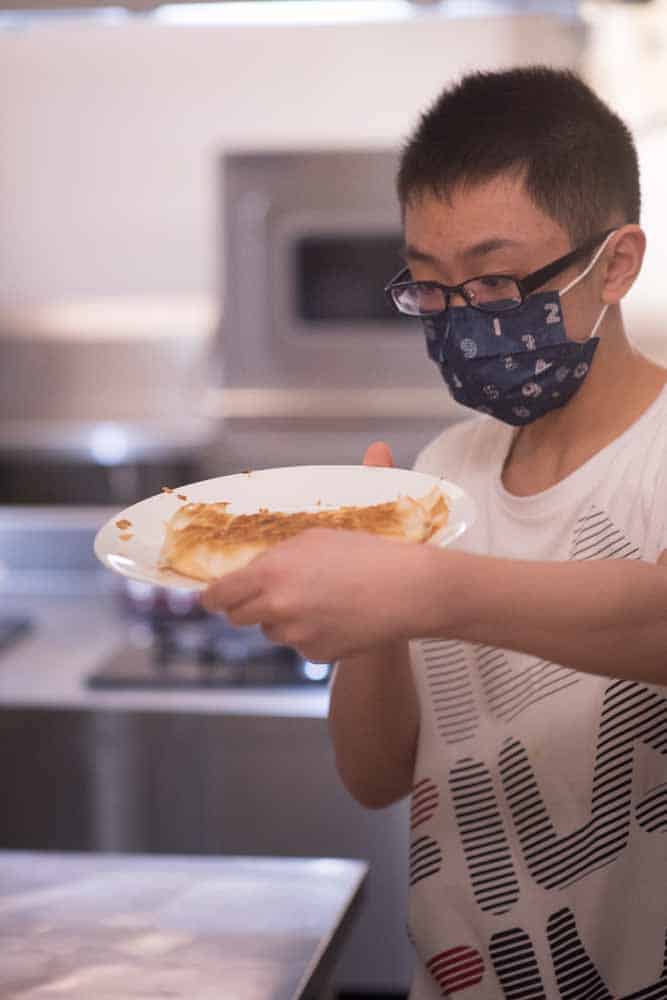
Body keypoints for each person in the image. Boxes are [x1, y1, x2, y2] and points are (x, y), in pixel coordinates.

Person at [203, 67, 667, 997]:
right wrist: (373, 617)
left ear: (614, 265)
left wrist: (421, 589)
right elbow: (375, 774)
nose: (462, 319)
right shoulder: (446, 469)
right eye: (428, 286)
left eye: (494, 280)